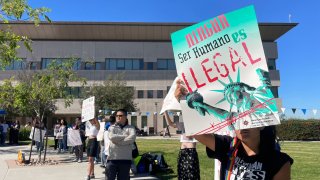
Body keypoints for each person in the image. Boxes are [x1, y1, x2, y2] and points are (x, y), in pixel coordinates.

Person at [174, 78, 293, 180]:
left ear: (262, 124)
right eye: (236, 117)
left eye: (248, 117)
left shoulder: (280, 163)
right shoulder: (227, 147)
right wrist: (184, 100)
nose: (242, 124)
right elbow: (196, 131)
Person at [164, 111, 200, 180]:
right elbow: (170, 124)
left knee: (191, 175)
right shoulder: (182, 124)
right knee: (182, 173)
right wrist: (165, 112)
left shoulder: (195, 124)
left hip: (191, 152)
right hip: (182, 151)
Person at [105, 109, 136, 180]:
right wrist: (125, 136)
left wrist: (118, 141)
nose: (118, 117)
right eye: (117, 115)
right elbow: (112, 137)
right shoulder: (111, 127)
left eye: (120, 115)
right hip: (112, 159)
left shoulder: (131, 128)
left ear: (125, 117)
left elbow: (131, 138)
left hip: (125, 159)